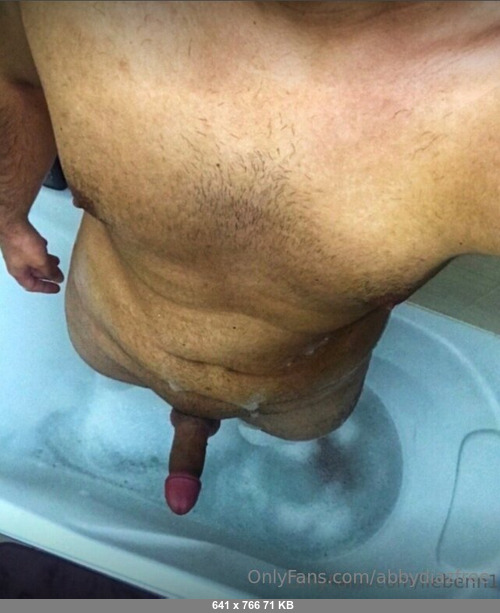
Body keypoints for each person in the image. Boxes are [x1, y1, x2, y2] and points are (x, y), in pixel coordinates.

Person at [1, 1, 499, 515]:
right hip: (113, 342)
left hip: (297, 403)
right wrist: (9, 214)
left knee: (300, 455)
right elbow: (17, 80)